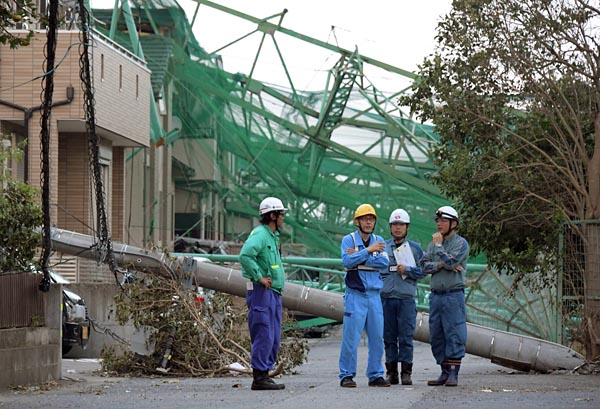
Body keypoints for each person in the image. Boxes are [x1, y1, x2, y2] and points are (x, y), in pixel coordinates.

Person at [338, 204, 391, 388]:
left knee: (377, 337)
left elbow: (384, 262)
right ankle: (346, 375)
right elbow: (346, 261)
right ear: (357, 221)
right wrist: (369, 251)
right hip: (355, 295)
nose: (369, 222)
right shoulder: (348, 240)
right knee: (351, 338)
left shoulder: (379, 240)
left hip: (374, 296)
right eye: (365, 219)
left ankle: (375, 375)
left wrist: (359, 256)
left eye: (372, 219)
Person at [239, 196, 288, 391]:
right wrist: (259, 277)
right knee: (263, 333)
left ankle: (265, 373)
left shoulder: (272, 236)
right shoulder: (260, 234)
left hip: (273, 293)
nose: (283, 218)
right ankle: (259, 377)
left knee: (274, 335)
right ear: (272, 215)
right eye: (281, 214)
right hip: (261, 292)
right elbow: (245, 255)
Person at [421, 206, 469, 387]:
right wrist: (441, 264)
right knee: (436, 335)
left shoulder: (461, 243)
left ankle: (454, 374)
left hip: (453, 295)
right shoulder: (431, 244)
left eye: (443, 221)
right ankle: (444, 371)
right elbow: (423, 266)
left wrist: (440, 251)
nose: (439, 224)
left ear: (453, 224)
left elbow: (452, 262)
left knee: (454, 332)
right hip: (436, 296)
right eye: (437, 221)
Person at [381, 209, 424, 385]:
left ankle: (406, 373)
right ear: (390, 227)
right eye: (395, 225)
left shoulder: (415, 249)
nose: (398, 228)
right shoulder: (382, 248)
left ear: (407, 227)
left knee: (406, 337)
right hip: (386, 299)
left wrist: (408, 270)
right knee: (389, 337)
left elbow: (423, 271)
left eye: (401, 225)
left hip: (406, 299)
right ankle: (391, 372)